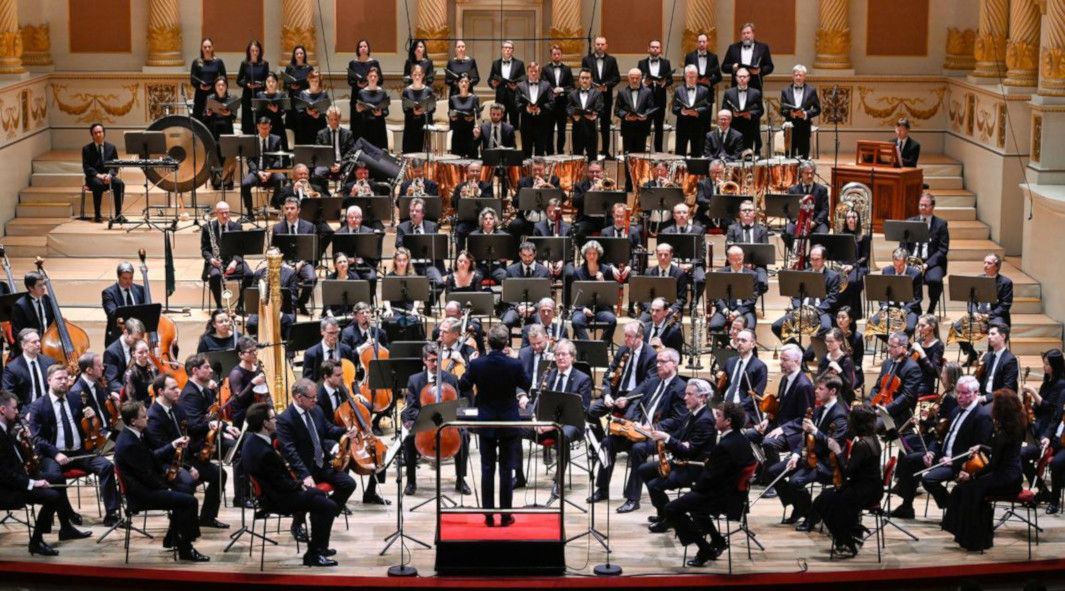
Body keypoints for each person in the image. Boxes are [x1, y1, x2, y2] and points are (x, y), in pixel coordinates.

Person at [242, 402, 339, 567]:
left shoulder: (251, 440)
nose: (277, 421)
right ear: (265, 424)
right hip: (278, 499)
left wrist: (299, 485)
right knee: (327, 506)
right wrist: (300, 484)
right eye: (273, 418)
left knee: (320, 498)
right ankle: (315, 554)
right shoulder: (264, 452)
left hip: (275, 493)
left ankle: (318, 548)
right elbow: (281, 484)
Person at [591, 348, 687, 513]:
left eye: (662, 362)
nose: (658, 365)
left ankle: (632, 498)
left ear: (675, 364)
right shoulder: (653, 381)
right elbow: (636, 403)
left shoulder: (680, 388)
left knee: (638, 450)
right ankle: (602, 488)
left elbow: (678, 420)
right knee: (608, 442)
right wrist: (634, 420)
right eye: (657, 361)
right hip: (637, 429)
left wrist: (653, 428)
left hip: (657, 435)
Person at [662, 401, 755, 566]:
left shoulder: (725, 445)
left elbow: (710, 478)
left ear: (728, 422)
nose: (715, 418)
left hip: (721, 497)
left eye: (718, 416)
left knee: (671, 509)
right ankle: (718, 541)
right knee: (695, 508)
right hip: (735, 495)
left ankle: (704, 549)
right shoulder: (741, 439)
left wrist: (694, 487)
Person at [114, 400, 208, 561]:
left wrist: (172, 446)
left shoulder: (134, 434)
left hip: (146, 486)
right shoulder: (129, 443)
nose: (148, 418)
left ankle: (175, 539)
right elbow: (146, 475)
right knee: (189, 501)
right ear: (133, 421)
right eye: (144, 416)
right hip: (141, 494)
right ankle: (186, 547)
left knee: (185, 490)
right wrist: (167, 489)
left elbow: (150, 458)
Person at [276, 378, 384, 518]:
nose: (316, 399)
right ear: (299, 398)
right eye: (312, 397)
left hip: (322, 463)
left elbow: (328, 429)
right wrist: (305, 475)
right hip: (302, 468)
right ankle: (298, 524)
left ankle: (326, 514)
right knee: (307, 493)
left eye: (316, 396)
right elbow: (289, 451)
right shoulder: (285, 419)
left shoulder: (316, 410)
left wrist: (346, 431)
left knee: (348, 483)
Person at [890, 375, 994, 519]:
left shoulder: (982, 417)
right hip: (942, 456)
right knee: (909, 460)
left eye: (965, 393)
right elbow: (939, 438)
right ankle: (907, 506)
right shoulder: (957, 410)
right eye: (958, 392)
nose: (960, 396)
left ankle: (954, 509)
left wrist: (954, 461)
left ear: (976, 393)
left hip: (960, 463)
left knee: (929, 480)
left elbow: (979, 450)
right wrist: (931, 452)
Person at [0, 390, 90, 556]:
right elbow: (4, 474)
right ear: (3, 410)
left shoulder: (7, 429)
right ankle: (36, 542)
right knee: (52, 497)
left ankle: (65, 527)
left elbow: (15, 458)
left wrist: (22, 440)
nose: (18, 412)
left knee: (57, 478)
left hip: (18, 478)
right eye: (14, 408)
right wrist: (33, 483)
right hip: (7, 488)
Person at [28, 364, 120, 526]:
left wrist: (92, 417)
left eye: (66, 378)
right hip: (53, 455)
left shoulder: (76, 398)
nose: (64, 382)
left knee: (106, 466)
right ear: (49, 380)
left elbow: (88, 426)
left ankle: (112, 514)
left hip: (79, 452)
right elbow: (37, 439)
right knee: (54, 476)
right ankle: (68, 515)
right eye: (59, 379)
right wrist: (56, 454)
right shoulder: (38, 406)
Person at [459, 325, 531, 526]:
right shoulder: (514, 364)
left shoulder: (477, 364)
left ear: (488, 343)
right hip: (508, 420)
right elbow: (526, 384)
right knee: (506, 469)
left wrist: (470, 364)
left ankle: (488, 514)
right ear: (507, 342)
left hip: (487, 420)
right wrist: (517, 359)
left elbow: (463, 385)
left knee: (487, 467)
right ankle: (506, 515)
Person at [942, 388, 1025, 551]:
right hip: (1011, 474)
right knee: (964, 489)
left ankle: (974, 540)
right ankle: (964, 533)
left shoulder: (1003, 433)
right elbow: (999, 452)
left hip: (1006, 478)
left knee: (970, 490)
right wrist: (982, 446)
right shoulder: (1013, 427)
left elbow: (993, 464)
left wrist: (972, 476)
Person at [147, 372, 231, 529]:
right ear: (160, 392)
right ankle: (184, 527)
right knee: (187, 482)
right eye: (173, 388)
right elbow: (160, 453)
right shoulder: (153, 416)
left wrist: (204, 447)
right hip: (167, 463)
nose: (178, 391)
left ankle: (207, 517)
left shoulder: (177, 408)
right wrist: (188, 466)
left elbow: (189, 431)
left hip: (185, 457)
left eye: (178, 387)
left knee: (219, 474)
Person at [767, 374, 849, 530]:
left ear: (833, 391)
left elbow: (835, 445)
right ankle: (800, 507)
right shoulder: (818, 410)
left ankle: (811, 516)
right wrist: (796, 454)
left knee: (795, 482)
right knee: (772, 472)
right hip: (809, 457)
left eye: (820, 388)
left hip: (826, 463)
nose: (815, 391)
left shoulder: (840, 415)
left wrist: (815, 431)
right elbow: (804, 437)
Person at [518, 339, 591, 499]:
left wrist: (552, 426)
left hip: (570, 424)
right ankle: (519, 476)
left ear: (572, 357)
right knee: (516, 429)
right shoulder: (548, 375)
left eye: (563, 354)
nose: (560, 358)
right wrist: (536, 420)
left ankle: (558, 482)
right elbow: (536, 402)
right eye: (557, 354)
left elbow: (581, 411)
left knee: (562, 435)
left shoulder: (582, 379)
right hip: (544, 423)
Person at [643, 379, 717, 530]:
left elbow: (690, 451)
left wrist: (667, 438)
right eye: (685, 394)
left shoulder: (705, 420)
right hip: (681, 460)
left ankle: (668, 520)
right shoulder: (691, 414)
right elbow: (679, 436)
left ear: (702, 397)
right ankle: (663, 513)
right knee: (644, 470)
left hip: (693, 467)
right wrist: (658, 434)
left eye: (689, 394)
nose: (685, 398)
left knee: (654, 486)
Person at [811, 405, 882, 558]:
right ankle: (851, 532)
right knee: (826, 498)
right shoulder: (872, 438)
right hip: (869, 487)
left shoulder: (862, 444)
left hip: (864, 491)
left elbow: (847, 472)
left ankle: (848, 539)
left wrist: (837, 451)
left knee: (822, 502)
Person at [401, 343, 471, 496]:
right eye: (431, 360)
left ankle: (461, 479)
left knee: (464, 435)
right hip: (424, 422)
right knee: (408, 437)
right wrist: (426, 417)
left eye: (437, 360)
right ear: (424, 361)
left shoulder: (451, 379)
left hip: (446, 423)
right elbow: (411, 408)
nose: (434, 364)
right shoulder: (415, 380)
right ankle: (411, 481)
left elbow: (456, 405)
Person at [771, 245, 841, 341]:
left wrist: (815, 313)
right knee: (776, 327)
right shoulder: (804, 273)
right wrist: (800, 309)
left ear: (824, 259)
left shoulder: (833, 276)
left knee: (826, 328)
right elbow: (795, 297)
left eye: (817, 259)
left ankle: (809, 355)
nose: (814, 262)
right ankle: (798, 350)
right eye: (812, 259)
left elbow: (832, 299)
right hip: (802, 310)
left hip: (821, 311)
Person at [956, 253, 1014, 365]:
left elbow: (1005, 305)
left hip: (995, 317)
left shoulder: (1006, 283)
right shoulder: (978, 279)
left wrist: (989, 315)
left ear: (996, 266)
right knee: (957, 328)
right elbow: (971, 300)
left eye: (989, 263)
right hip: (979, 317)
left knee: (995, 330)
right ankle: (972, 354)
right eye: (984, 262)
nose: (985, 265)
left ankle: (991, 361)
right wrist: (974, 312)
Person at [1026, 350, 1065, 513]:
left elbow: (1052, 411)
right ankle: (1042, 491)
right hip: (1052, 435)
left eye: (1047, 364)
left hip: (1060, 440)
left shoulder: (1062, 386)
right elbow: (1055, 417)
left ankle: (1054, 501)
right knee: (1020, 453)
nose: (1044, 366)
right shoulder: (1047, 381)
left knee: (1056, 463)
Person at [900, 192, 950, 314]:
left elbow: (943, 249)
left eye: (925, 205)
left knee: (935, 280)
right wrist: (907, 260)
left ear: (932, 207)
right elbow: (903, 245)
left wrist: (927, 265)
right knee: (904, 277)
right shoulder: (910, 222)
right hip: (913, 261)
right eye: (921, 205)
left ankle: (931, 308)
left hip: (932, 263)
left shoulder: (941, 225)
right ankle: (912, 308)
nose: (922, 207)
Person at [271, 197, 319, 315]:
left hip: (303, 262)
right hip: (284, 263)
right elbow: (274, 249)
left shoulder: (309, 227)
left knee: (312, 278)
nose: (289, 211)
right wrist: (284, 264)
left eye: (292, 208)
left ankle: (301, 302)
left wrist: (300, 263)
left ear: (298, 210)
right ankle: (288, 307)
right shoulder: (277, 228)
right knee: (281, 281)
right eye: (286, 208)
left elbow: (312, 250)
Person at [200, 201, 252, 312]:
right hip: (216, 262)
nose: (225, 215)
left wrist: (234, 262)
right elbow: (204, 250)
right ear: (216, 214)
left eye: (227, 213)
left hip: (233, 261)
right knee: (214, 275)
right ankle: (219, 306)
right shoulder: (207, 228)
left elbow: (241, 250)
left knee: (249, 274)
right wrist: (212, 259)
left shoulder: (237, 227)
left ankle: (240, 305)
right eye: (222, 213)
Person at [869, 332, 925, 430]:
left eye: (892, 346)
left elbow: (906, 397)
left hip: (898, 414)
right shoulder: (887, 363)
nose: (888, 349)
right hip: (880, 405)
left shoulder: (912, 368)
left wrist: (885, 410)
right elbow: (877, 387)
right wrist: (870, 403)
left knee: (869, 426)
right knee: (856, 417)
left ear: (903, 347)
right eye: (888, 345)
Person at [569, 240, 619, 342]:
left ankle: (602, 348)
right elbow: (575, 296)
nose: (591, 256)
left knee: (612, 320)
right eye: (589, 253)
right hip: (583, 309)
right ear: (585, 255)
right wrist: (583, 309)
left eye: (594, 253)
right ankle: (589, 348)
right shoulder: (577, 272)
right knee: (576, 321)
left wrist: (603, 282)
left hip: (602, 309)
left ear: (598, 255)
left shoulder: (607, 270)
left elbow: (610, 296)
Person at [868, 247, 923, 336]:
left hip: (909, 309)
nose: (897, 268)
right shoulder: (887, 271)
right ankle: (892, 344)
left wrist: (903, 311)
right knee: (873, 325)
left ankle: (904, 347)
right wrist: (885, 306)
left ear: (905, 262)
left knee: (909, 328)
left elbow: (917, 298)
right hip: (889, 308)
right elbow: (882, 295)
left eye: (900, 266)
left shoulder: (915, 274)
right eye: (895, 265)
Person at [581, 37, 621, 158]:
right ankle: (591, 151)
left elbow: (616, 77)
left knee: (605, 125)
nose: (599, 46)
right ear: (594, 45)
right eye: (597, 44)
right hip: (590, 96)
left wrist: (606, 86)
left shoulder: (612, 60)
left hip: (606, 96)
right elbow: (584, 75)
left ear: (606, 46)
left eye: (602, 44)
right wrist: (592, 85)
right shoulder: (586, 59)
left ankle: (605, 151)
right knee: (590, 124)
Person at [241, 116, 285, 220]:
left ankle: (275, 201)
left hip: (272, 171)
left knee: (282, 179)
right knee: (245, 184)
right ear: (258, 127)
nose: (264, 131)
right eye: (262, 128)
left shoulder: (277, 139)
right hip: (256, 171)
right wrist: (258, 172)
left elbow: (279, 159)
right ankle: (249, 212)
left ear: (270, 127)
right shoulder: (252, 139)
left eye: (266, 128)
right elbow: (249, 160)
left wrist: (269, 172)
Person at [709, 245, 759, 334]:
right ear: (728, 259)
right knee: (714, 326)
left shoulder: (753, 275)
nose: (738, 262)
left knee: (750, 327)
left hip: (745, 309)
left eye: (740, 258)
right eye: (734, 259)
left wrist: (738, 312)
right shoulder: (720, 273)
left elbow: (752, 299)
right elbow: (716, 296)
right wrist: (725, 310)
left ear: (743, 256)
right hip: (725, 309)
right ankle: (725, 346)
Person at [81, 123, 125, 224]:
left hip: (108, 176)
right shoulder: (86, 149)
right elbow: (86, 167)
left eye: (100, 132)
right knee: (98, 184)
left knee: (120, 184)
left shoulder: (111, 147)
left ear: (104, 133)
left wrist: (110, 175)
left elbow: (115, 165)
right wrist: (99, 175)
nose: (98, 134)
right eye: (95, 133)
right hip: (94, 177)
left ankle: (118, 215)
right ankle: (97, 214)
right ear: (92, 135)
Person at [724, 200, 770, 294]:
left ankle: (748, 303)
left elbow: (765, 253)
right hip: (735, 264)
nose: (747, 212)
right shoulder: (732, 229)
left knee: (763, 284)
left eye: (750, 210)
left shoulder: (762, 230)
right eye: (744, 210)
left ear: (754, 213)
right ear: (739, 213)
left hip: (757, 265)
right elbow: (727, 250)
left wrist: (752, 264)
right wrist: (741, 263)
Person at [784, 161, 831, 251]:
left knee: (822, 234)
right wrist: (795, 221)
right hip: (798, 222)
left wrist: (814, 223)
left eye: (812, 173)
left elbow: (825, 210)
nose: (810, 176)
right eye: (807, 173)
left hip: (816, 223)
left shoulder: (822, 190)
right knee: (787, 233)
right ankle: (796, 254)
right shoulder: (793, 190)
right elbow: (788, 210)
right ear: (801, 173)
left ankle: (812, 257)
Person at [615, 68, 655, 171]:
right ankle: (628, 185)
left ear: (641, 78)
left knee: (640, 159)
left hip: (642, 130)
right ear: (628, 79)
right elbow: (617, 110)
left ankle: (639, 185)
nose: (634, 80)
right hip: (627, 130)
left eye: (637, 78)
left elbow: (651, 108)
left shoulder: (648, 92)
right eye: (632, 78)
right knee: (628, 159)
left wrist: (646, 116)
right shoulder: (622, 92)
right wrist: (626, 116)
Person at [509, 158, 559, 239]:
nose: (537, 173)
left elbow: (563, 198)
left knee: (562, 226)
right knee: (514, 225)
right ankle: (516, 251)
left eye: (540, 170)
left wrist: (551, 189)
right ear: (531, 170)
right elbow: (515, 202)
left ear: (545, 169)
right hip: (527, 220)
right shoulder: (523, 182)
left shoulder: (553, 180)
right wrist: (532, 191)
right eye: (534, 170)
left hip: (547, 219)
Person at [638, 40, 673, 152]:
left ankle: (658, 151)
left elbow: (670, 80)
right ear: (648, 49)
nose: (655, 49)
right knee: (644, 128)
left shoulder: (666, 63)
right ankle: (642, 151)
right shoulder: (641, 63)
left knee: (659, 129)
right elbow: (637, 79)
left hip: (659, 100)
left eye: (657, 47)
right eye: (652, 47)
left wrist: (663, 83)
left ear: (660, 49)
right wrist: (644, 83)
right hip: (645, 101)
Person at [203, 76, 237, 189]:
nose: (221, 87)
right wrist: (208, 114)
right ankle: (216, 180)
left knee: (227, 154)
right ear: (215, 87)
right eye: (218, 85)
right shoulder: (210, 98)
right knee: (215, 154)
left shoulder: (231, 98)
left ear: (226, 86)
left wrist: (229, 114)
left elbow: (234, 115)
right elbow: (204, 116)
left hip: (227, 128)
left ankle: (227, 181)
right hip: (214, 129)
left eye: (223, 85)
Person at [100, 261, 146, 346]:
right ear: (118, 277)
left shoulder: (140, 290)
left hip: (137, 337)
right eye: (125, 278)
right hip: (117, 337)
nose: (128, 281)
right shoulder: (108, 293)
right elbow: (113, 314)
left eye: (130, 278)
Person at [836, 208, 872, 318]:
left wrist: (852, 266)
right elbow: (837, 255)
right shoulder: (841, 235)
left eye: (854, 217)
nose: (851, 219)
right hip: (844, 266)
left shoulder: (864, 236)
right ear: (846, 220)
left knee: (851, 281)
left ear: (858, 219)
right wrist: (842, 265)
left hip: (859, 266)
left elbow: (865, 257)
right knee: (835, 280)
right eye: (848, 217)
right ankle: (839, 312)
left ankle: (853, 313)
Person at [780, 65, 820, 159]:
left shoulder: (811, 91)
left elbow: (817, 109)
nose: (798, 77)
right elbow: (782, 109)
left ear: (804, 76)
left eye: (800, 75)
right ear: (792, 76)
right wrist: (790, 113)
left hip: (804, 128)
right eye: (796, 75)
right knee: (789, 158)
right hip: (790, 129)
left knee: (804, 158)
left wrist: (806, 114)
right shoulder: (785, 91)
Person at [672, 66, 712, 157]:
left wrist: (697, 112)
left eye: (693, 76)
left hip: (698, 125)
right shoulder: (678, 90)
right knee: (680, 152)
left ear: (697, 76)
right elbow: (674, 108)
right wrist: (682, 111)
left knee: (697, 152)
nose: (691, 79)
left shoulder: (704, 90)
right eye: (689, 76)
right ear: (685, 76)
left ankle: (697, 171)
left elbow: (707, 107)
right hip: (683, 125)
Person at [346, 39, 383, 137]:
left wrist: (368, 83)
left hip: (371, 96)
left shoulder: (374, 63)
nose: (363, 48)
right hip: (357, 96)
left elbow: (381, 80)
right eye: (360, 47)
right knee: (356, 123)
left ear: (368, 48)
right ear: (358, 49)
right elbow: (350, 81)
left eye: (365, 46)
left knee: (370, 122)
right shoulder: (352, 63)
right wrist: (358, 84)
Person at [721, 22, 774, 90]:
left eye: (748, 33)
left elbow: (770, 66)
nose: (746, 35)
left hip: (755, 87)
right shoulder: (733, 48)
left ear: (753, 34)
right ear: (741, 35)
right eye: (743, 33)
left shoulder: (762, 48)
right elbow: (724, 67)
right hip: (737, 87)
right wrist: (733, 67)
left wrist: (760, 70)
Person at [721, 68, 763, 153]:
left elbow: (760, 110)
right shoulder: (729, 93)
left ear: (749, 78)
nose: (742, 79)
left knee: (750, 160)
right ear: (736, 78)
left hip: (750, 130)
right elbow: (724, 109)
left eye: (744, 76)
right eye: (740, 76)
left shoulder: (756, 93)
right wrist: (732, 114)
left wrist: (750, 115)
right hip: (734, 129)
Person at [516, 62, 553, 157]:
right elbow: (516, 103)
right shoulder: (520, 86)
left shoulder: (546, 85)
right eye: (531, 71)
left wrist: (541, 109)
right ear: (527, 72)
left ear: (539, 72)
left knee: (540, 151)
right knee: (526, 151)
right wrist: (526, 108)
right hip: (526, 122)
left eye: (535, 71)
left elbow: (551, 103)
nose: (533, 73)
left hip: (541, 122)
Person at [976, 323, 1020, 403]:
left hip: (1000, 401)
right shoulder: (987, 356)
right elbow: (981, 380)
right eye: (989, 334)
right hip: (983, 397)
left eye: (993, 334)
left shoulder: (1010, 360)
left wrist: (985, 398)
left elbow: (1007, 388)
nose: (989, 337)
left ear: (1003, 337)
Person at [301, 317, 354, 383]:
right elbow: (307, 381)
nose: (334, 336)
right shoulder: (310, 354)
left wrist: (357, 392)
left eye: (336, 332)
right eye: (331, 333)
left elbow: (352, 378)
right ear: (322, 332)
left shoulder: (346, 350)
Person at [313, 107, 355, 191]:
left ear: (339, 119)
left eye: (336, 119)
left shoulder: (348, 134)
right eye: (331, 119)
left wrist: (341, 164)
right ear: (327, 119)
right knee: (317, 173)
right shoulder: (321, 134)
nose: (333, 122)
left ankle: (345, 195)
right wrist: (329, 165)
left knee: (352, 172)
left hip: (343, 163)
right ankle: (324, 194)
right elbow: (320, 152)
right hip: (326, 163)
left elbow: (351, 152)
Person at [567, 69, 604, 161]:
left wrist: (595, 115)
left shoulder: (597, 94)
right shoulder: (572, 94)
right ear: (579, 79)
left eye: (587, 78)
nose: (584, 80)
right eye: (582, 78)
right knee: (577, 159)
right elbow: (568, 108)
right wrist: (573, 116)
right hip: (577, 131)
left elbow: (600, 108)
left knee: (592, 158)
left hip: (591, 130)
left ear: (591, 79)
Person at [543, 45, 574, 154]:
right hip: (550, 104)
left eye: (558, 54)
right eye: (554, 54)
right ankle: (549, 153)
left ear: (561, 55)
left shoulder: (567, 69)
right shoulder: (545, 69)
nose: (556, 56)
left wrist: (562, 89)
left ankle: (560, 152)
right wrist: (552, 91)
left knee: (562, 131)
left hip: (562, 104)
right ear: (551, 55)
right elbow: (544, 85)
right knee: (548, 131)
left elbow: (571, 86)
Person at [103, 317, 144, 392]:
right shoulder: (111, 352)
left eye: (140, 340)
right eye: (135, 339)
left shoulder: (136, 345)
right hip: (123, 394)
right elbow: (112, 382)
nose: (138, 343)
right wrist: (129, 393)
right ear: (126, 333)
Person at [488, 40, 525, 126]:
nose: (508, 50)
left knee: (514, 125)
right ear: (502, 49)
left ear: (513, 50)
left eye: (510, 48)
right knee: (499, 124)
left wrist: (517, 86)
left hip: (514, 98)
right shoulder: (496, 63)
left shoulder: (519, 64)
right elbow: (490, 79)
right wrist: (492, 84)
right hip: (500, 99)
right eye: (506, 48)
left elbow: (523, 80)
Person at [190, 37, 226, 124]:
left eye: (209, 47)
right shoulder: (196, 62)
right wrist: (200, 86)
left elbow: (224, 79)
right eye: (205, 47)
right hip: (200, 96)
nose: (207, 49)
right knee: (199, 122)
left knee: (214, 121)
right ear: (201, 48)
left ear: (212, 47)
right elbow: (192, 79)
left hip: (214, 96)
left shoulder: (218, 62)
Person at [236, 40, 270, 134]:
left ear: (260, 51)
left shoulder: (264, 64)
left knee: (260, 122)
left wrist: (260, 84)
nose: (255, 53)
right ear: (249, 51)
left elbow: (267, 80)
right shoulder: (245, 63)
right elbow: (239, 80)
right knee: (248, 123)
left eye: (257, 50)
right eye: (252, 50)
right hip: (247, 96)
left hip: (260, 96)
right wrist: (246, 84)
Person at [401, 64, 436, 153]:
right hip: (411, 126)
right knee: (410, 152)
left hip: (424, 124)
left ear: (423, 75)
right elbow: (405, 109)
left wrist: (424, 110)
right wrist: (414, 112)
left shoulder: (428, 90)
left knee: (424, 153)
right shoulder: (406, 91)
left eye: (419, 74)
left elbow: (433, 108)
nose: (417, 77)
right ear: (411, 76)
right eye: (415, 74)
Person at [818, 328, 858, 404]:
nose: (828, 344)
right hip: (825, 396)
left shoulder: (846, 360)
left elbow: (850, 385)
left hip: (842, 398)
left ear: (840, 342)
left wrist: (840, 371)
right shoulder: (824, 358)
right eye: (826, 341)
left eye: (831, 341)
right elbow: (818, 379)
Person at [354, 67, 390, 151]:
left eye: (375, 76)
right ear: (367, 77)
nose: (373, 78)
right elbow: (358, 113)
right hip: (365, 127)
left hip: (379, 126)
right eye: (370, 76)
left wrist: (381, 113)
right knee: (366, 153)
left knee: (380, 153)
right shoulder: (361, 93)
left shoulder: (382, 92)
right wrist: (358, 110)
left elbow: (386, 111)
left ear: (378, 78)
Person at [284, 45, 314, 138]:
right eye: (297, 53)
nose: (299, 55)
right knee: (292, 124)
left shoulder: (309, 68)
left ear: (304, 55)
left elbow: (312, 84)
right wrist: (291, 86)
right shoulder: (290, 67)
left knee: (304, 125)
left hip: (304, 99)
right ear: (294, 55)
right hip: (292, 99)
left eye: (301, 53)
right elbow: (285, 84)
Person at [448, 75, 481, 158]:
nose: (464, 83)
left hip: (470, 131)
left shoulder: (474, 98)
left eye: (466, 82)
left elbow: (478, 114)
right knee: (456, 158)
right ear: (458, 84)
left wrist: (472, 117)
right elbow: (450, 112)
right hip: (457, 131)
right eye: (461, 82)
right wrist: (452, 117)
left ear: (469, 84)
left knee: (471, 157)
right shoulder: (453, 98)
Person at [293, 69, 328, 146]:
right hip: (306, 125)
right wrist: (307, 112)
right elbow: (299, 111)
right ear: (308, 81)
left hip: (320, 124)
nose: (314, 83)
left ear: (319, 82)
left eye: (316, 81)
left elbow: (327, 110)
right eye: (312, 81)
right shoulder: (303, 93)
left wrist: (320, 115)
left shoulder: (324, 93)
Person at [255, 72, 288, 150]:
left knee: (280, 148)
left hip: (278, 125)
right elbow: (257, 111)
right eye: (268, 81)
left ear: (276, 82)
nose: (270, 83)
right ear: (265, 83)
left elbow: (285, 111)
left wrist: (277, 110)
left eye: (273, 81)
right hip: (264, 126)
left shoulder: (282, 94)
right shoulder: (260, 95)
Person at [122, 340, 156, 404]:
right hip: (142, 408)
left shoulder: (153, 368)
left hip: (155, 404)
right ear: (133, 354)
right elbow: (132, 400)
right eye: (140, 352)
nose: (145, 355)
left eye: (146, 351)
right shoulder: (130, 374)